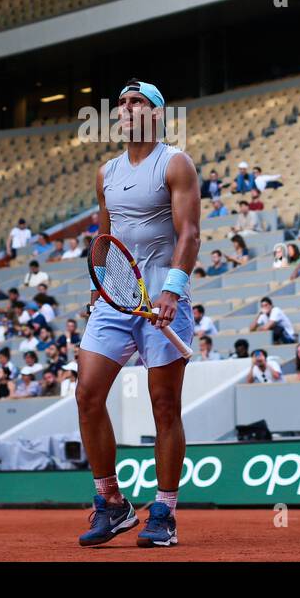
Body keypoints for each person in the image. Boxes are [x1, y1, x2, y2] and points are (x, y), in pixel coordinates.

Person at [77, 79, 198, 550]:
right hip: (117, 300)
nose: (125, 108)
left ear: (157, 114)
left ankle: (165, 511)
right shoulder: (105, 172)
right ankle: (112, 503)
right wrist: (98, 286)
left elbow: (189, 234)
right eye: (122, 103)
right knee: (87, 394)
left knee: (164, 406)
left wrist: (173, 290)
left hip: (165, 304)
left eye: (137, 102)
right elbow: (105, 238)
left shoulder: (175, 163)